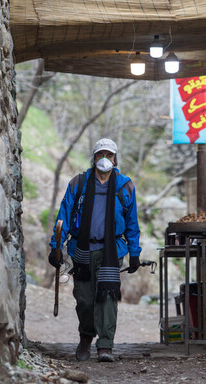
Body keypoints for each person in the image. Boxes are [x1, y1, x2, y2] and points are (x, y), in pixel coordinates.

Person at [48, 138, 141, 362]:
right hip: (82, 250)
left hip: (112, 252)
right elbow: (64, 216)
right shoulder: (78, 183)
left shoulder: (124, 185)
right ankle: (86, 338)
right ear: (94, 158)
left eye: (109, 155)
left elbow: (132, 222)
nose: (105, 159)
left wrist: (135, 252)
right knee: (85, 299)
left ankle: (105, 346)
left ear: (115, 159)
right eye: (101, 155)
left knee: (108, 298)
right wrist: (56, 247)